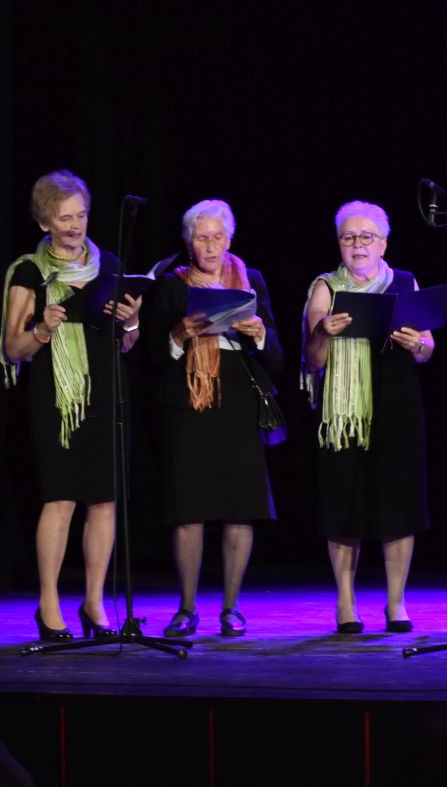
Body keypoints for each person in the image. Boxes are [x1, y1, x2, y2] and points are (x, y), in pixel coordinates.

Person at [0, 170, 141, 642]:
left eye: (81, 215)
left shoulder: (109, 264)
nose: (76, 225)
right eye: (64, 218)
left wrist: (131, 322)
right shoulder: (30, 272)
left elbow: (127, 343)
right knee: (60, 499)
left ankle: (95, 604)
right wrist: (42, 329)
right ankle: (49, 605)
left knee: (104, 500)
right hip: (55, 398)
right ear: (45, 222)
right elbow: (13, 349)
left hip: (104, 388)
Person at [145, 200, 282, 638]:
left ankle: (231, 607)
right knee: (190, 508)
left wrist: (259, 334)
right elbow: (150, 356)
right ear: (189, 241)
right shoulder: (172, 284)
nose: (210, 246)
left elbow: (277, 357)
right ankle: (186, 608)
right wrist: (177, 335)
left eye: (217, 237)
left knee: (240, 508)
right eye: (201, 238)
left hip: (239, 401)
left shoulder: (251, 279)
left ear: (229, 239)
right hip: (190, 402)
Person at [302, 201, 434, 634]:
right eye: (348, 237)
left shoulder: (406, 282)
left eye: (366, 237)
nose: (357, 245)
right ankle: (346, 603)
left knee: (399, 504)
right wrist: (322, 332)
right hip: (345, 416)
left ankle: (396, 603)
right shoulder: (325, 287)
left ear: (383, 244)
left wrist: (417, 344)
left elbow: (428, 349)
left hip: (398, 405)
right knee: (344, 504)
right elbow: (313, 359)